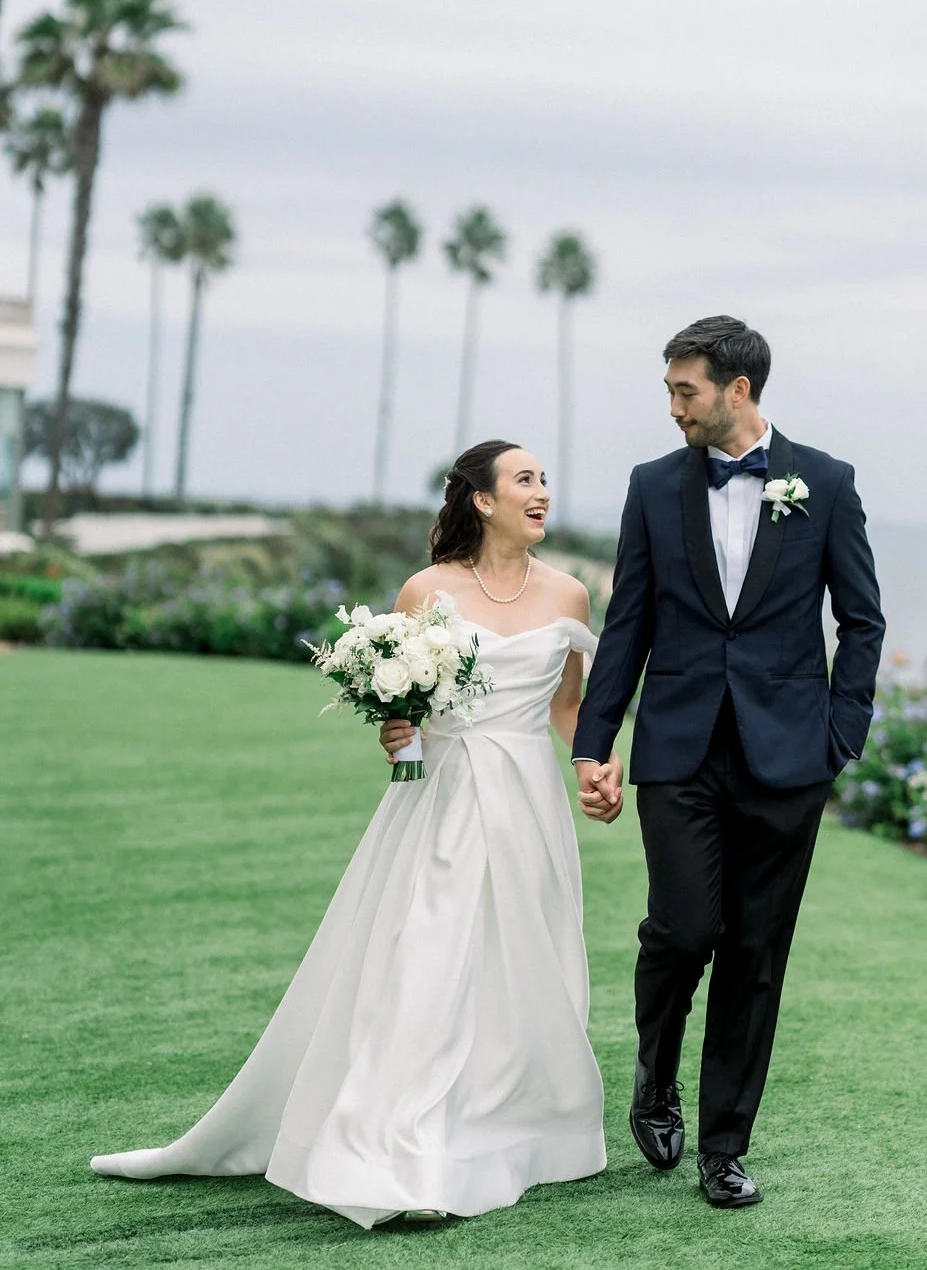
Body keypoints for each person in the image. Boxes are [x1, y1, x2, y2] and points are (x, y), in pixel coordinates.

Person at [91, 440, 621, 1229]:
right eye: (524, 480)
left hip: (529, 804)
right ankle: (398, 1143)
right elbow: (401, 713)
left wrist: (595, 766)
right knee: (426, 952)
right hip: (442, 799)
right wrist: (396, 733)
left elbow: (566, 705)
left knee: (520, 957)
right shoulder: (427, 590)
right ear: (482, 500)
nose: (541, 491)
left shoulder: (569, 594)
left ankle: (513, 1127)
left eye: (544, 480)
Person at [572, 316, 884, 1208]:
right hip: (678, 751)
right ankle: (655, 1075)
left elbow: (861, 620)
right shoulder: (652, 486)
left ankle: (723, 1148)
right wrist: (594, 742)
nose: (674, 408)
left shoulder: (826, 482)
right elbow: (628, 621)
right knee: (682, 931)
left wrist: (839, 738)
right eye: (671, 391)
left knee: (754, 952)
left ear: (737, 390)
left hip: (789, 759)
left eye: (687, 392)